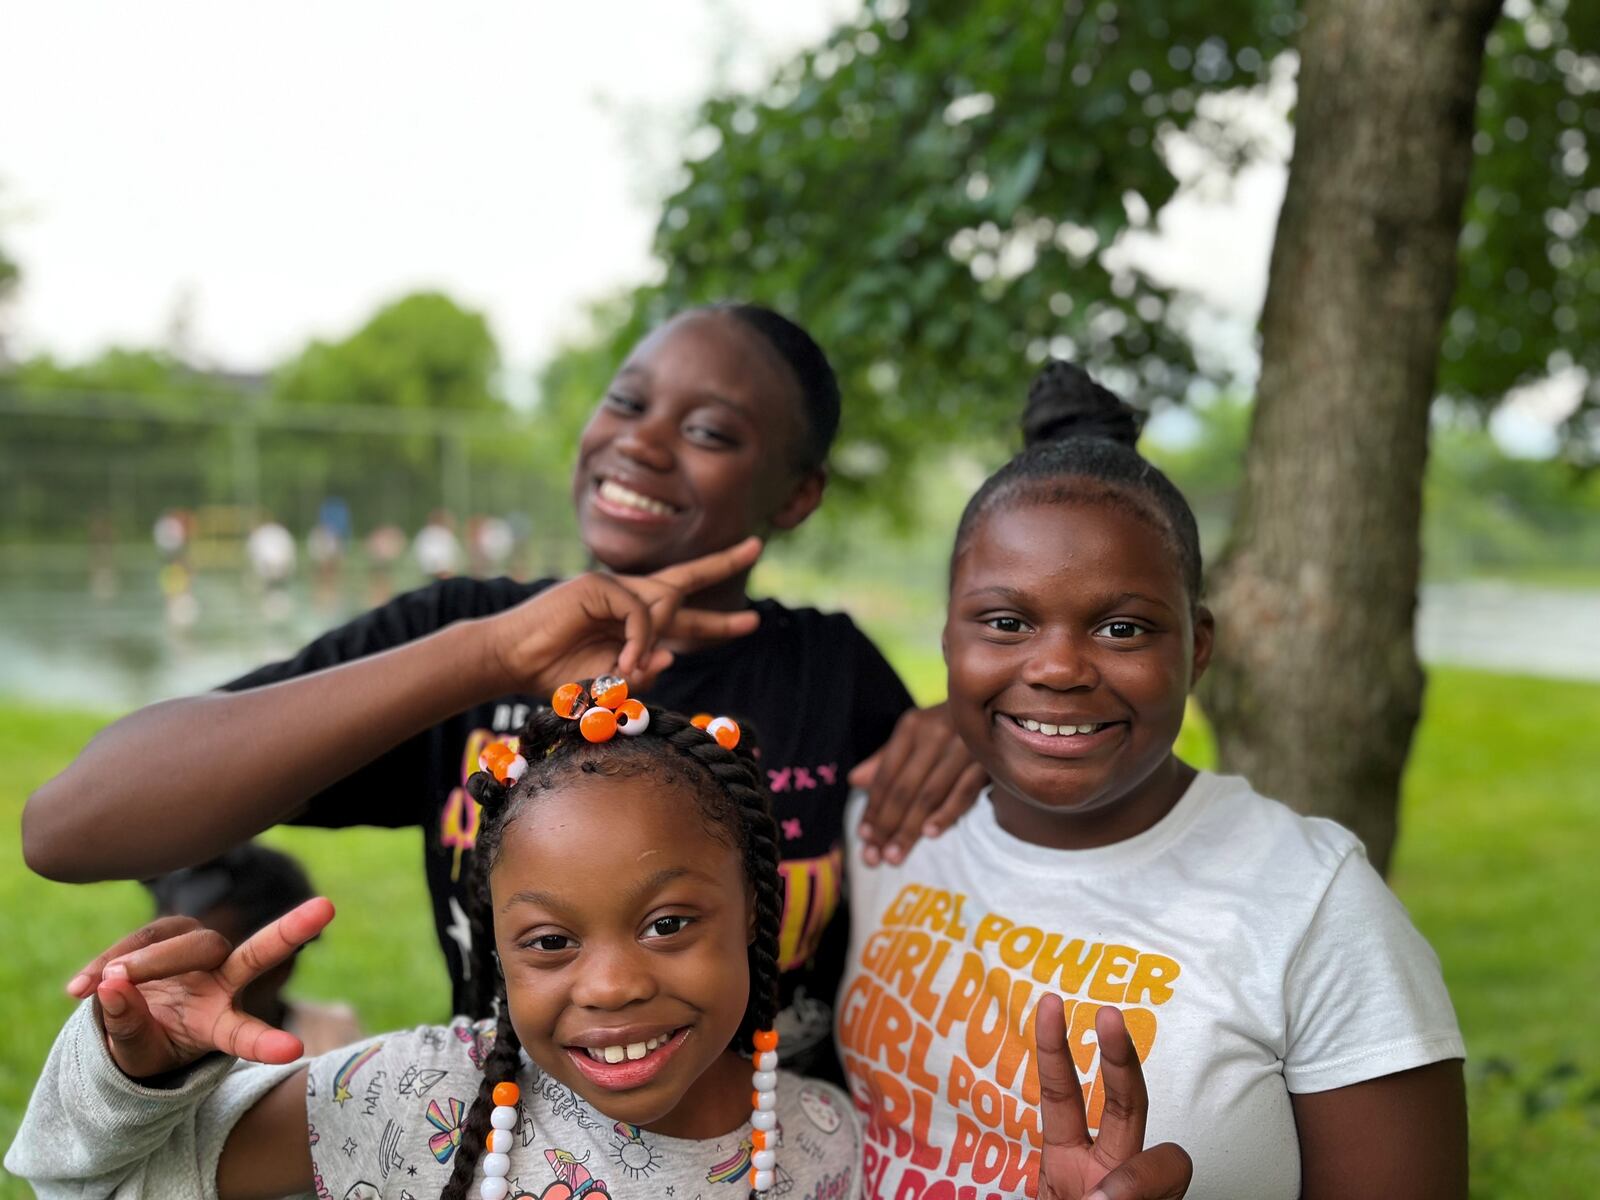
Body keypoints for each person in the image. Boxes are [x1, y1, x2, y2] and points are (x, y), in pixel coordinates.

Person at [22, 303, 983, 1082]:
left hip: (774, 1161)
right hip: (503, 1155)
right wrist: (484, 660)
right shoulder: (469, 634)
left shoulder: (829, 671)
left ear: (796, 494)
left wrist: (976, 731)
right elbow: (70, 828)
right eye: (625, 403)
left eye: (707, 431)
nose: (640, 444)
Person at [6, 688, 1180, 1200]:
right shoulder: (421, 1095)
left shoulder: (820, 1143)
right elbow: (99, 1182)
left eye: (671, 923)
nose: (613, 982)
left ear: (758, 925)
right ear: (498, 956)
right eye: (550, 942)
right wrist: (138, 1076)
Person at [835, 362, 1467, 1198]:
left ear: (1198, 649)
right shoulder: (889, 822)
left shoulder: (1314, 907)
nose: (1057, 667)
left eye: (1122, 627)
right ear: (950, 638)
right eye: (1006, 622)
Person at [144, 842, 364, 1056]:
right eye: (162, 954)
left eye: (207, 966)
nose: (172, 980)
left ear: (280, 967)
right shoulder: (143, 1039)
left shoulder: (332, 1041)